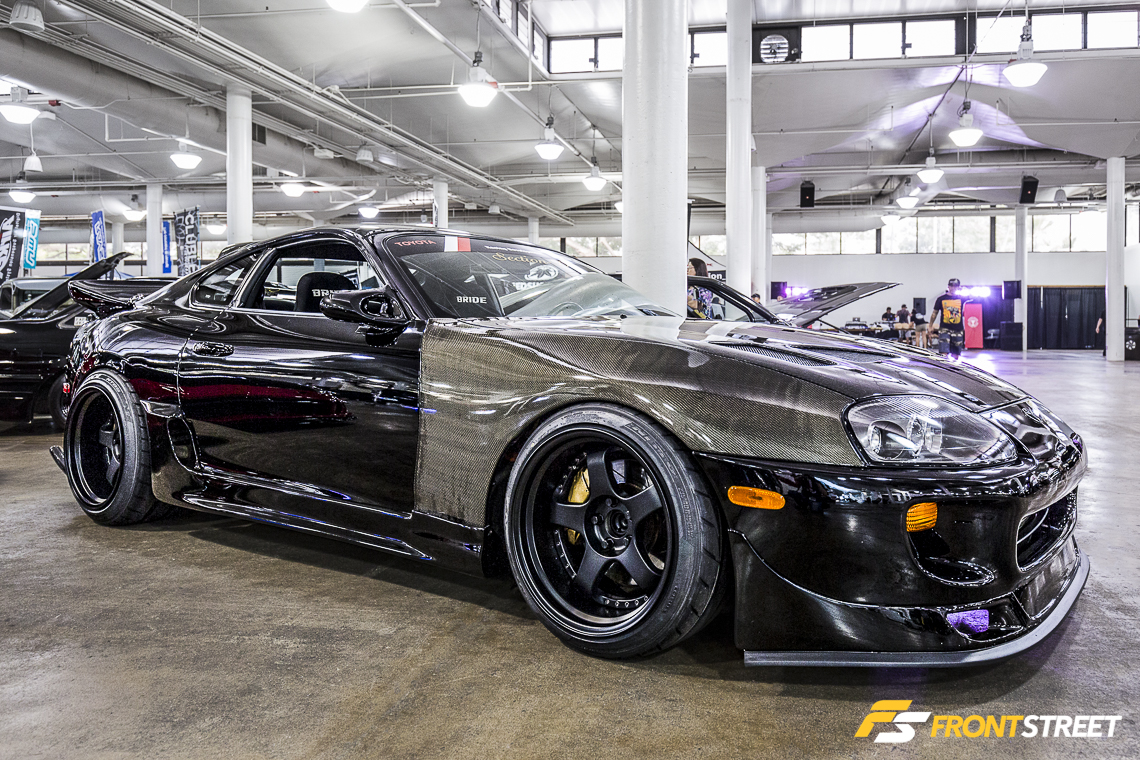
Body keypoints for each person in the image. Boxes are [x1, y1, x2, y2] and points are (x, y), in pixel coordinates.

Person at [931, 278, 965, 358]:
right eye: (951, 286)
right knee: (943, 352)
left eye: (956, 286)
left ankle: (954, 366)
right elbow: (934, 313)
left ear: (958, 287)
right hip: (944, 329)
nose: (953, 288)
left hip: (958, 329)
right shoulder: (941, 299)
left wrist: (965, 290)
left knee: (956, 354)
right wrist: (930, 326)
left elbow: (974, 298)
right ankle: (944, 365)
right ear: (948, 287)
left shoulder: (962, 298)